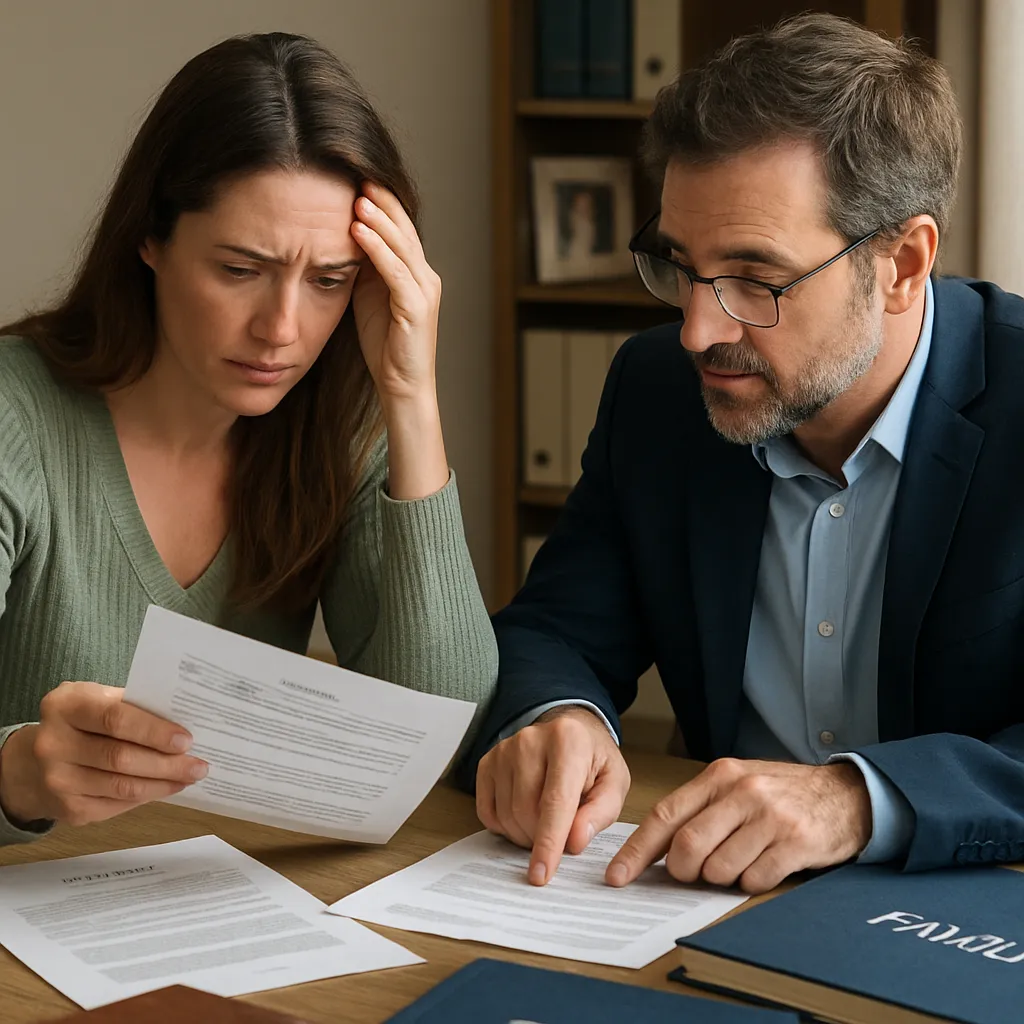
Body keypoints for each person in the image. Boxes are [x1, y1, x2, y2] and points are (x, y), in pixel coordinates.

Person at [460, 12, 1024, 895]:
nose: (696, 329)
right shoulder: (657, 391)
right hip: (704, 909)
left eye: (756, 280)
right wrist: (557, 714)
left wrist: (859, 800)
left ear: (904, 264)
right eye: (682, 265)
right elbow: (556, 627)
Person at [0, 32, 498, 844]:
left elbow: (436, 722)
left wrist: (411, 395)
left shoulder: (336, 430)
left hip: (219, 914)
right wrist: (16, 772)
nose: (282, 330)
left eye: (330, 281)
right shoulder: (13, 414)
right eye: (240, 269)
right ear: (151, 238)